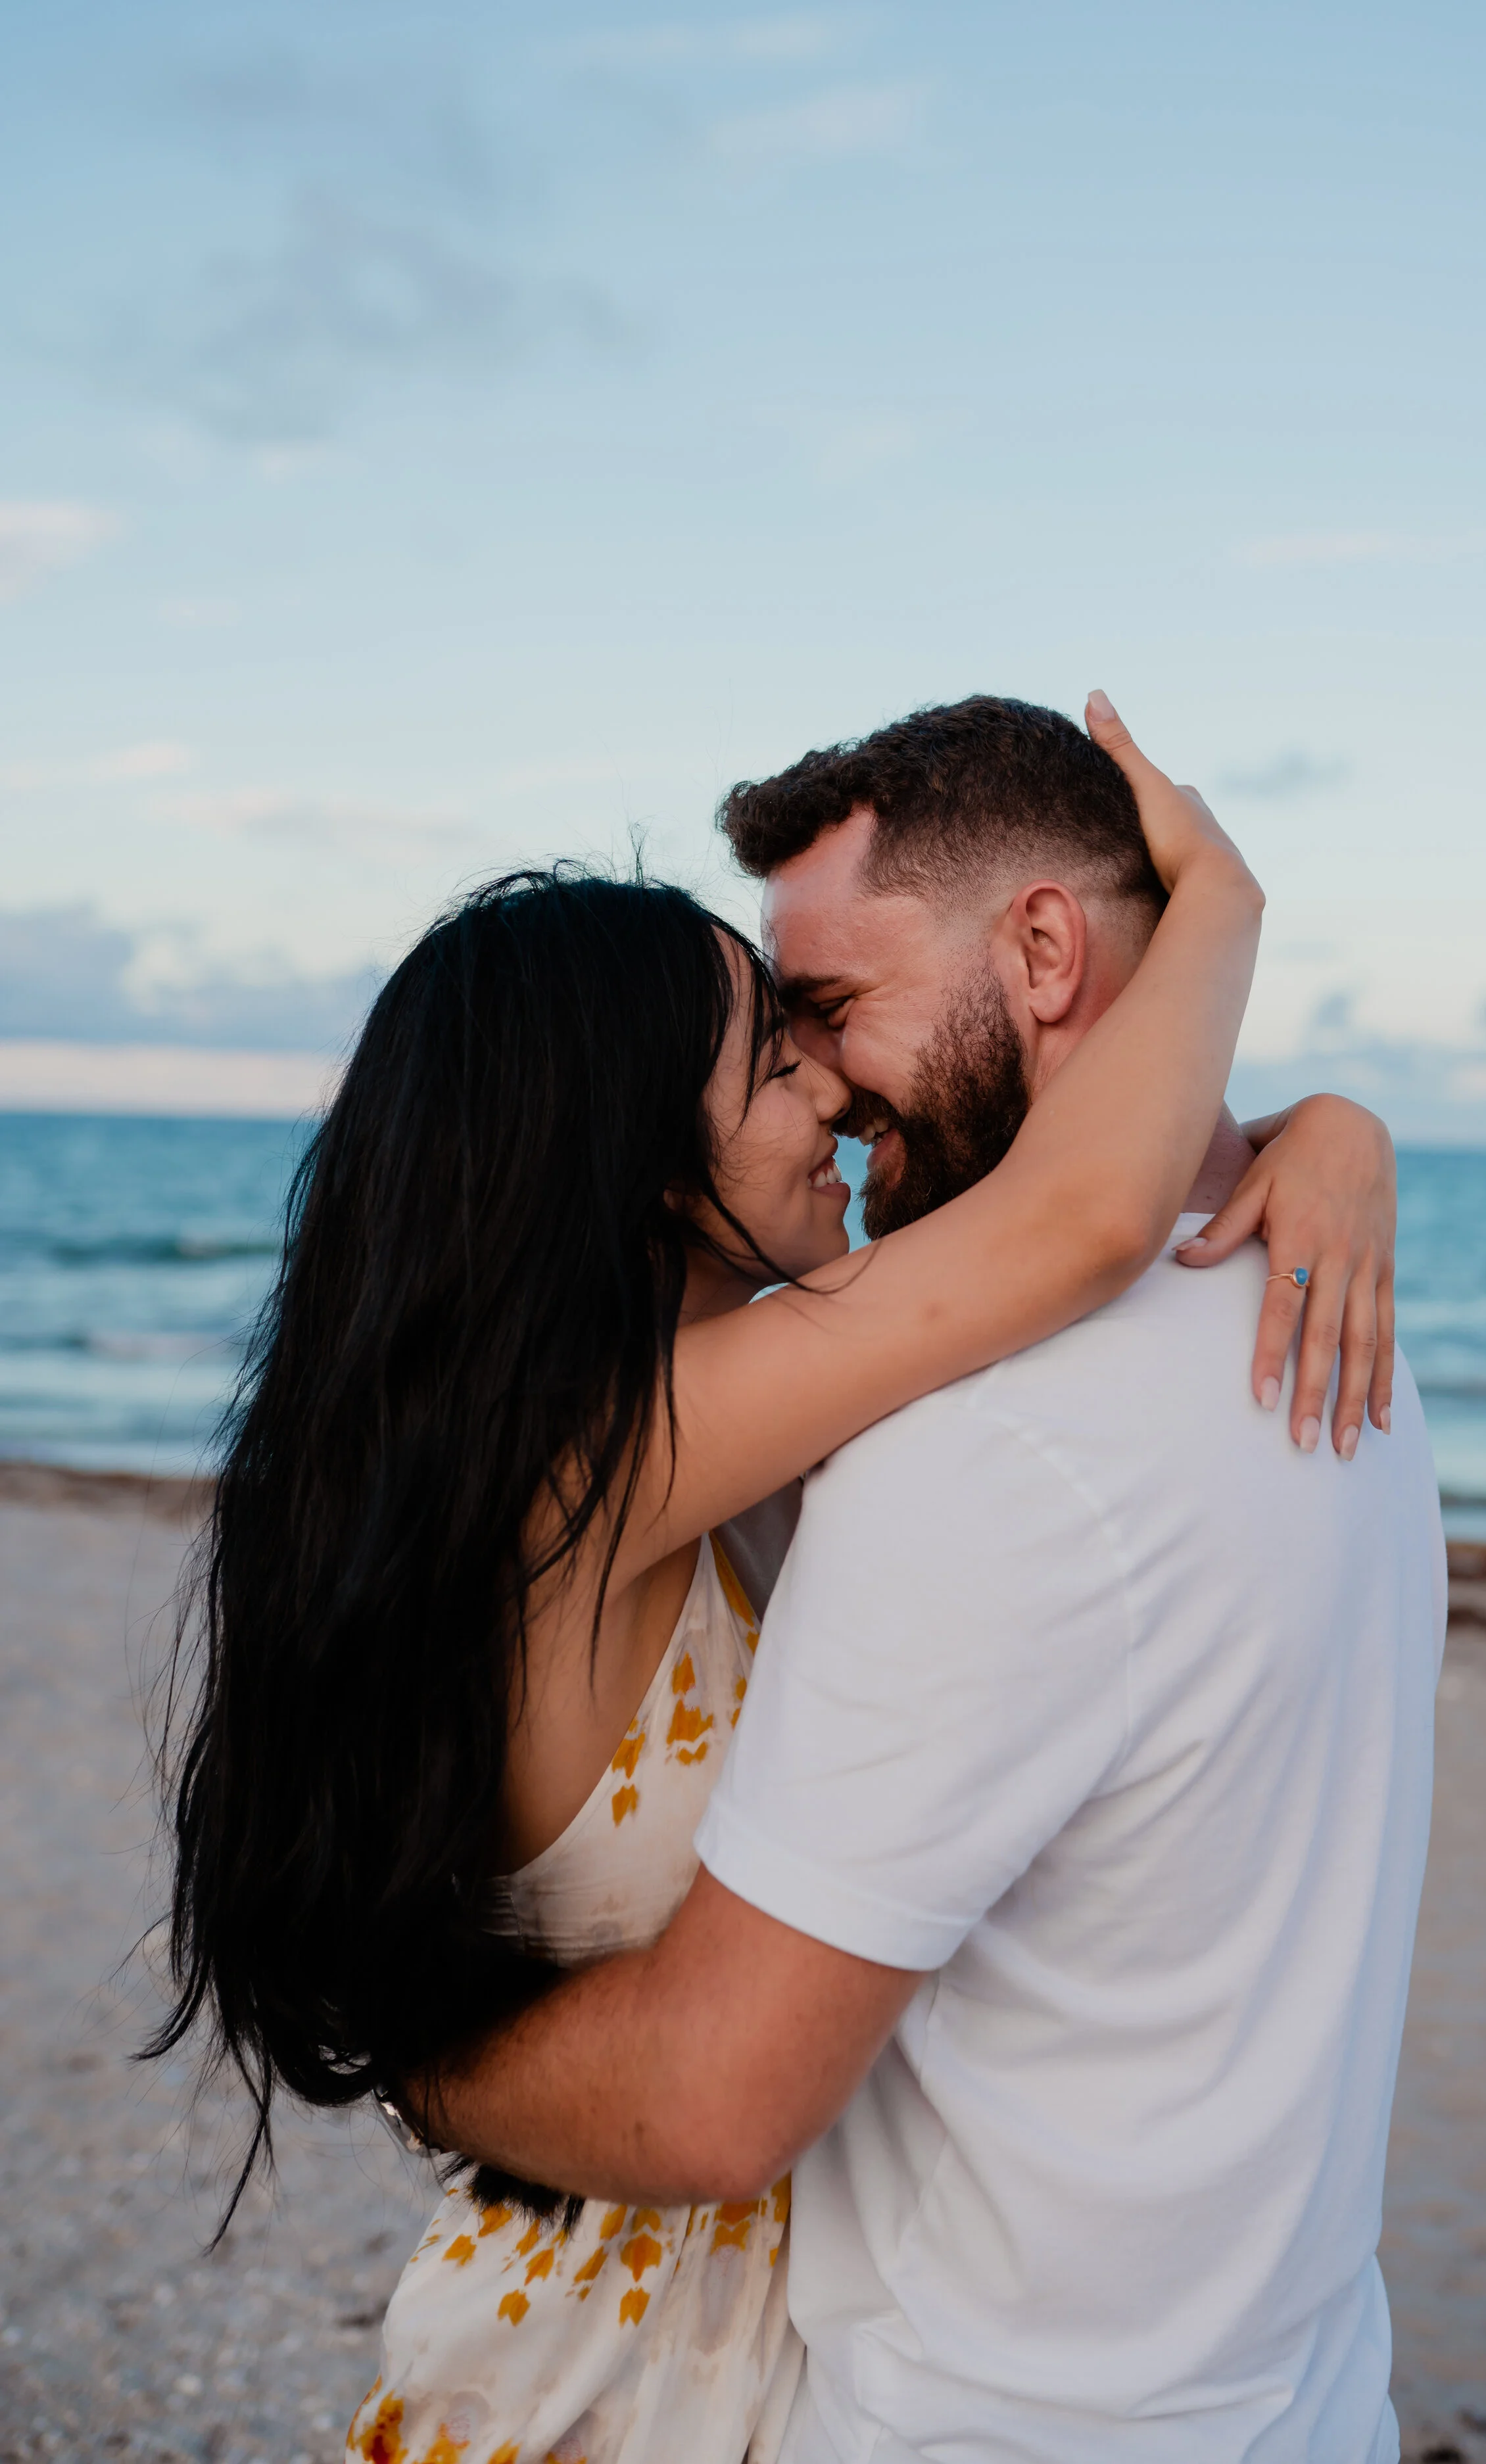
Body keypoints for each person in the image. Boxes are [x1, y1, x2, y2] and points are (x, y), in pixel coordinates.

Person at [152, 690, 1391, 2464]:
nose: (829, 1097)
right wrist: (1223, 915)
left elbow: (1083, 1216)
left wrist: (1321, 1129)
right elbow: (1080, 1218)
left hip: (756, 2313)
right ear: (645, 1164)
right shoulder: (604, 1454)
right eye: (772, 1060)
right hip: (617, 2345)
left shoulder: (726, 1422)